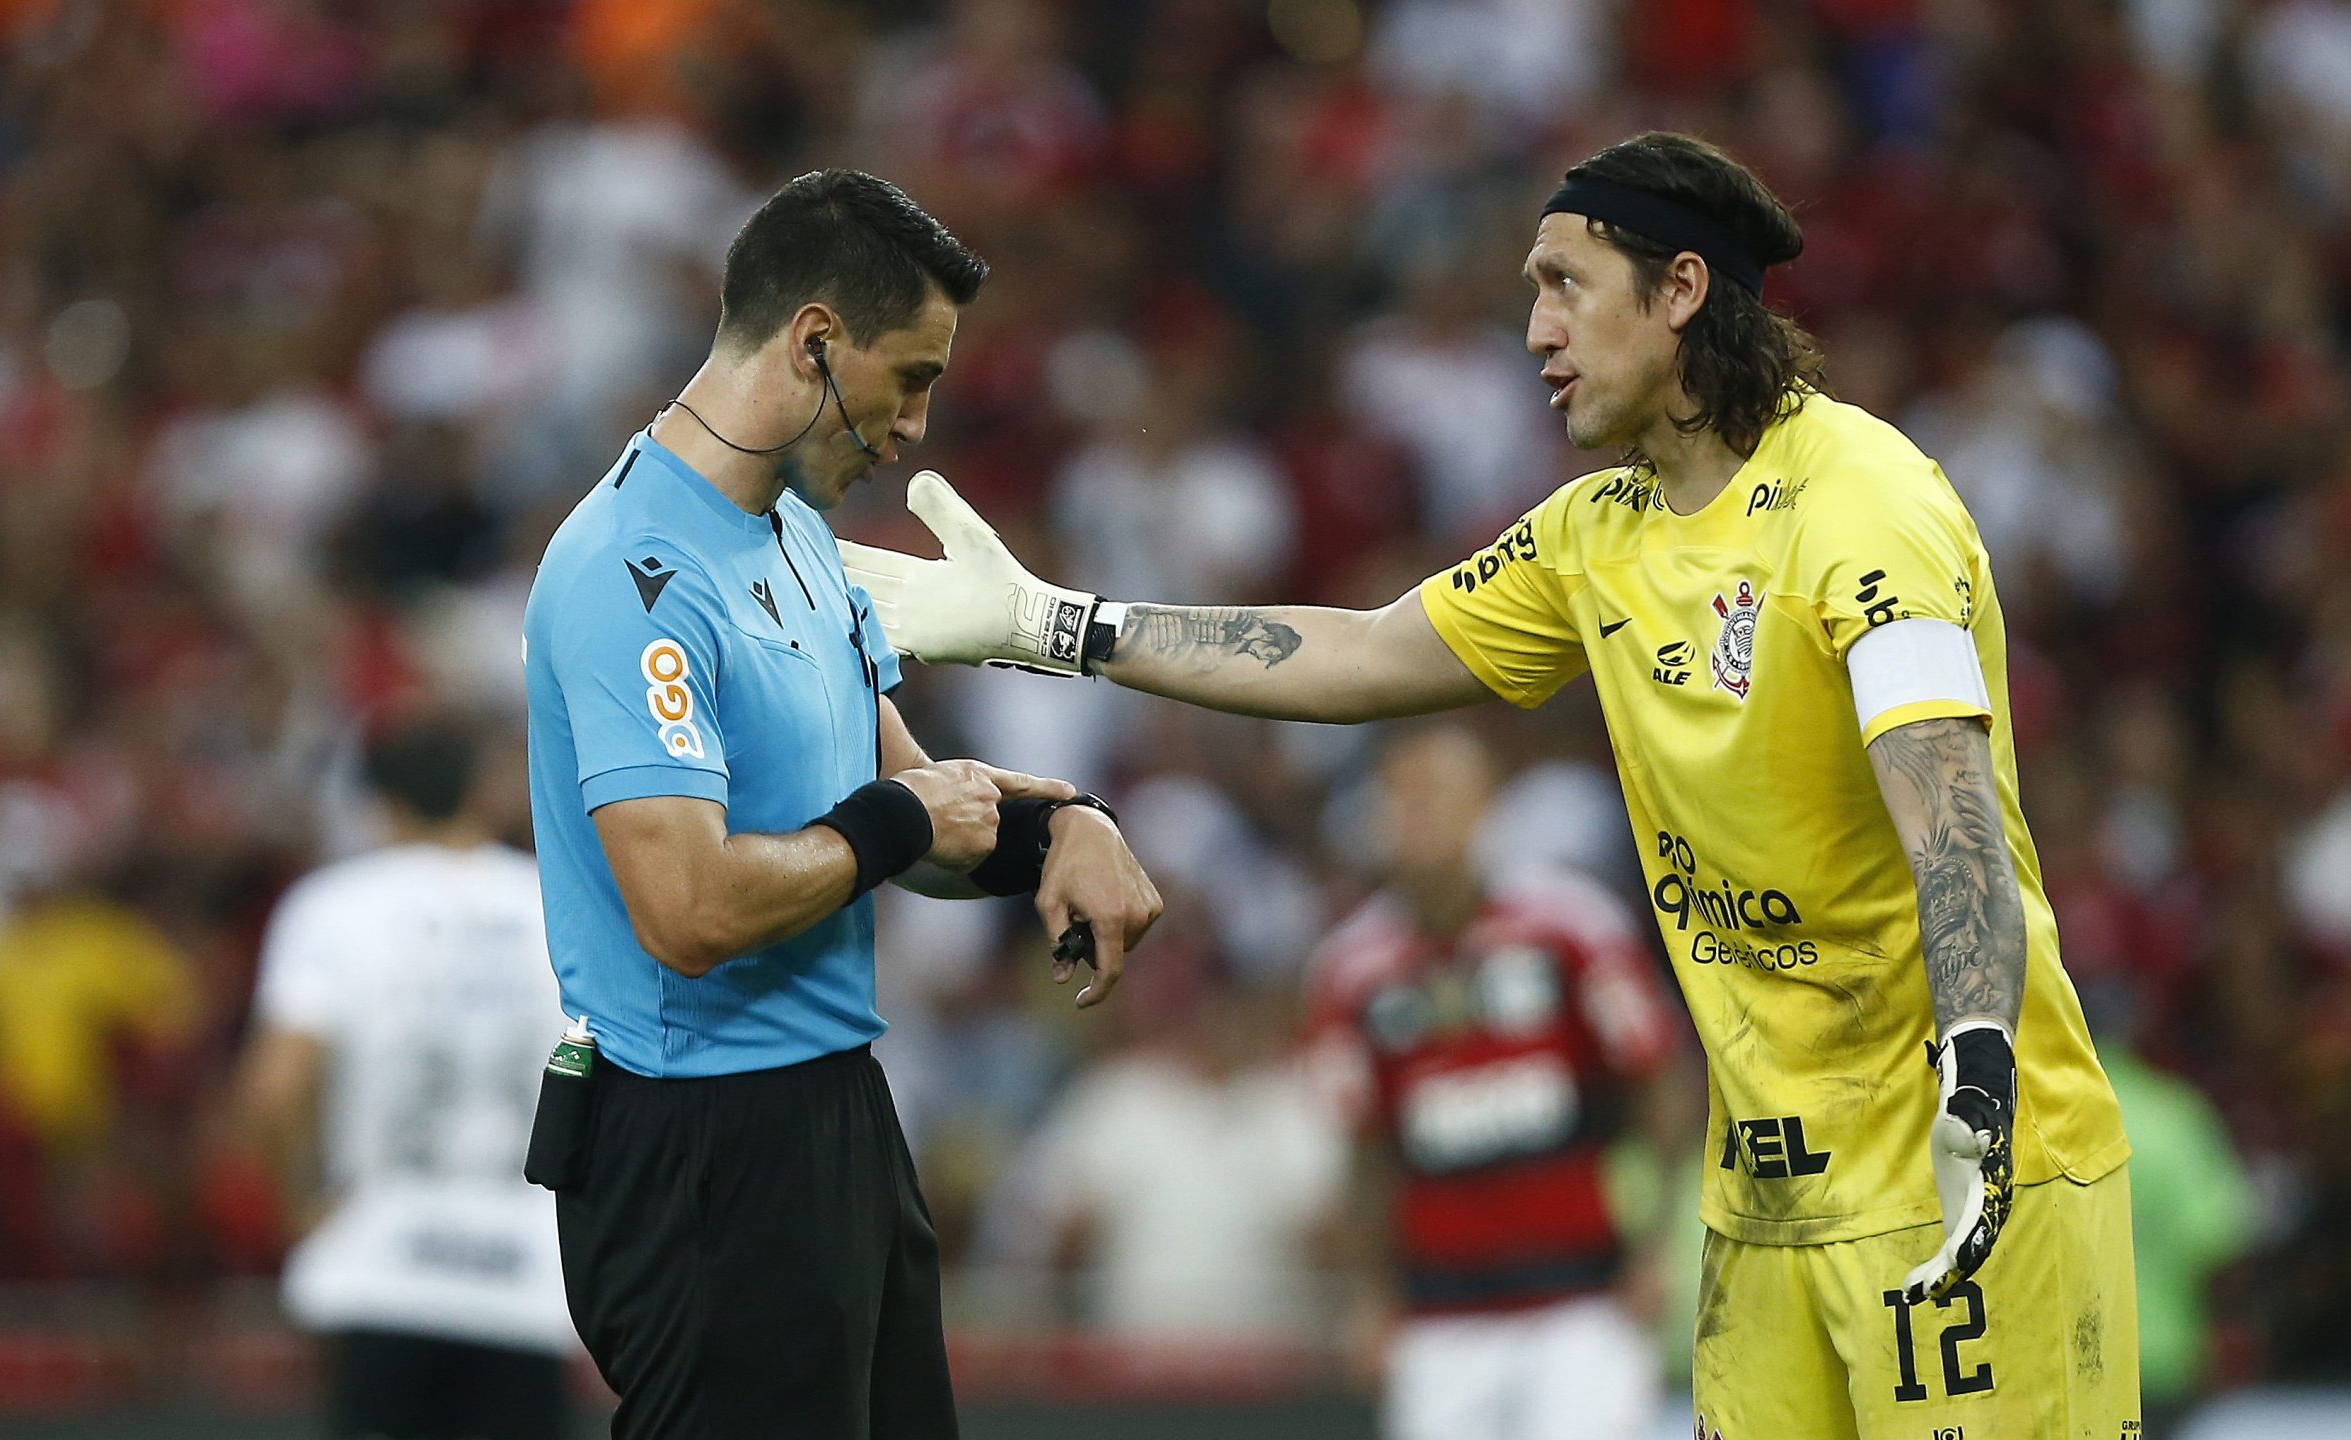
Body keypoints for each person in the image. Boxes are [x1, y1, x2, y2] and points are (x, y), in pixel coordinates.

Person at [843, 131, 2138, 1438]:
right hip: (1768, 1208)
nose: (1533, 328)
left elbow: (1949, 807)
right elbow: (1351, 651)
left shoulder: (1865, 502)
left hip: (1962, 1165)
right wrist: (1049, 625)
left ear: (1682, 290)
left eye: (1565, 283)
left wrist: (1978, 1067)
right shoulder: (1594, 537)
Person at [520, 170, 1163, 1440]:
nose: (916, 424)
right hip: (699, 1146)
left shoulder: (795, 534)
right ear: (816, 342)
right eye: (910, 376)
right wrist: (903, 822)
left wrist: (1062, 823)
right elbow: (689, 910)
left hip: (835, 1115)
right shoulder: (626, 572)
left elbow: (916, 805)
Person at [1303, 724, 1677, 1440]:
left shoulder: (1572, 928)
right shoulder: (1349, 969)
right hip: (1439, 1318)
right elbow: (1364, 1145)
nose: (1420, 813)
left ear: (1488, 805)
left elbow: (1657, 1081)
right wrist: (1370, 1295)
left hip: (1582, 1304)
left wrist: (1651, 1246)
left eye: (1439, 792)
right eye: (1402, 796)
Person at [235, 715, 575, 1440]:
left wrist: (302, 1203)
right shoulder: (555, 905)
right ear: (486, 795)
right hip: (523, 1270)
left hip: (379, 1256)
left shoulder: (333, 907)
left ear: (377, 801)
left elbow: (273, 1089)